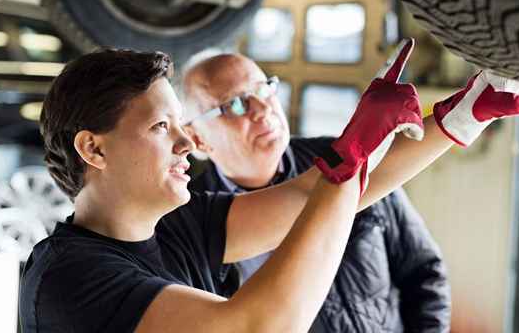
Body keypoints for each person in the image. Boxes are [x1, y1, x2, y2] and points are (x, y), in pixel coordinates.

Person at [18, 39, 519, 333]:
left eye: (180, 125)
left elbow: (308, 195)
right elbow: (259, 326)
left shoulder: (181, 222)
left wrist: (458, 120)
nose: (184, 144)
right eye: (160, 128)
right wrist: (351, 155)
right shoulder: (69, 279)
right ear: (95, 149)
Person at [182, 52, 451, 332]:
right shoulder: (193, 227)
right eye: (235, 104)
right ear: (197, 138)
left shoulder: (350, 157)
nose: (263, 108)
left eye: (264, 89)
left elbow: (423, 270)